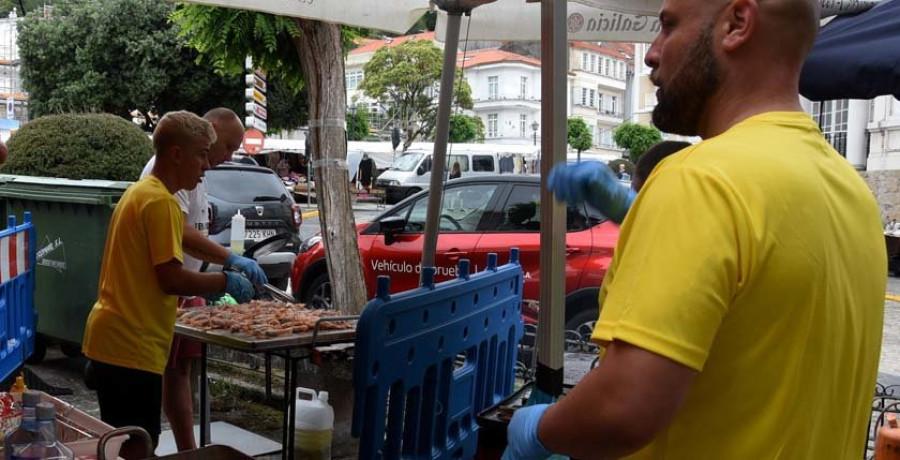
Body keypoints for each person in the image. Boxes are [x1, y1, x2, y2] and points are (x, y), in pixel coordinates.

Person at [511, 1, 886, 459]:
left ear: (737, 24)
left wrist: (538, 429)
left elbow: (621, 408)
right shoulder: (852, 191)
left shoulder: (698, 178)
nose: (651, 53)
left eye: (669, 26)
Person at [82, 111, 255, 459]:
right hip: (131, 345)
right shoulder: (160, 201)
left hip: (114, 339)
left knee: (121, 443)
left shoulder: (141, 192)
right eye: (201, 154)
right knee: (137, 447)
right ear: (176, 153)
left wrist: (228, 259)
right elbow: (170, 279)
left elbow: (181, 246)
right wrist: (224, 281)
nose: (206, 165)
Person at [139, 107, 266, 452]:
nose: (227, 156)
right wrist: (225, 271)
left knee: (180, 372)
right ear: (207, 134)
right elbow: (177, 239)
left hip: (184, 288)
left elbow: (195, 229)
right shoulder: (163, 182)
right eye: (228, 146)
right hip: (162, 301)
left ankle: (188, 450)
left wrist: (225, 263)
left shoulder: (197, 171)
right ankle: (188, 451)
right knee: (150, 398)